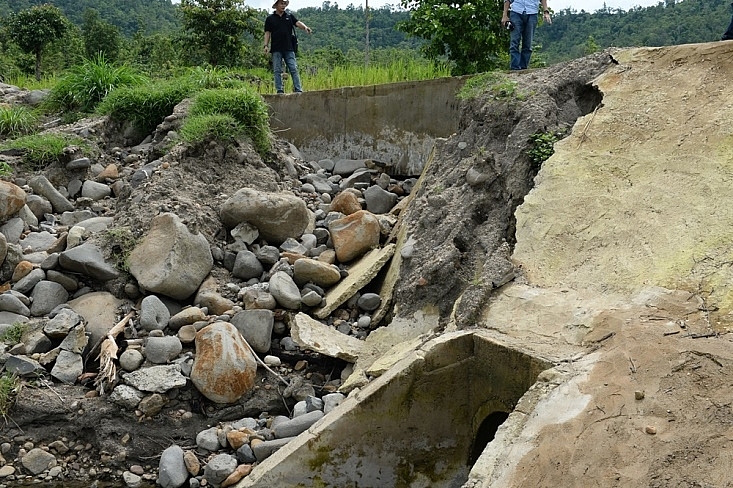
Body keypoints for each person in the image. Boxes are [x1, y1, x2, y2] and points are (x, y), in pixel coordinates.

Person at [264, 0, 312, 94]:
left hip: (289, 48)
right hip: (276, 48)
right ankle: (279, 90)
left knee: (293, 68)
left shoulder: (289, 16)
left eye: (284, 4)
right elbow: (267, 33)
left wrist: (305, 28)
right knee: (277, 70)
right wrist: (265, 45)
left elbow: (297, 23)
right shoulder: (270, 19)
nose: (283, 5)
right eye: (281, 3)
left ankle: (298, 89)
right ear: (276, 5)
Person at [501, 0, 551, 71]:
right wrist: (504, 15)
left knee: (528, 44)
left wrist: (546, 12)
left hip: (532, 12)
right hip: (516, 12)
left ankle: (523, 68)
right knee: (514, 42)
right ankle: (514, 68)